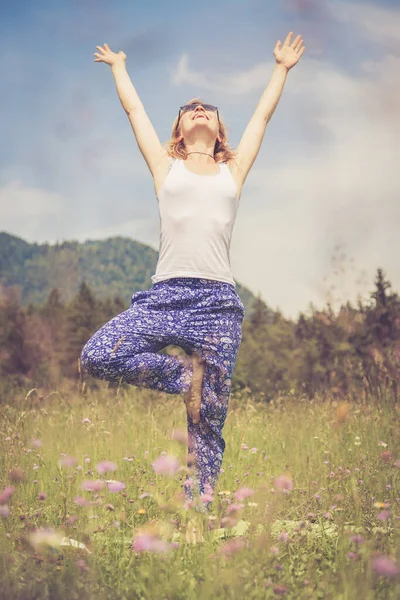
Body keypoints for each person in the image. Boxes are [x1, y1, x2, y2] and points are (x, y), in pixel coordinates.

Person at [81, 33, 305, 521]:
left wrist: (281, 70)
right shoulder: (166, 168)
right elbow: (135, 114)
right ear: (179, 131)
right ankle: (187, 377)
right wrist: (119, 66)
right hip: (164, 297)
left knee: (207, 422)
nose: (199, 108)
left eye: (208, 107)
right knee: (98, 353)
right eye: (189, 107)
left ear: (220, 128)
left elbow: (262, 117)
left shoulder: (234, 170)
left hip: (217, 306)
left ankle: (197, 518)